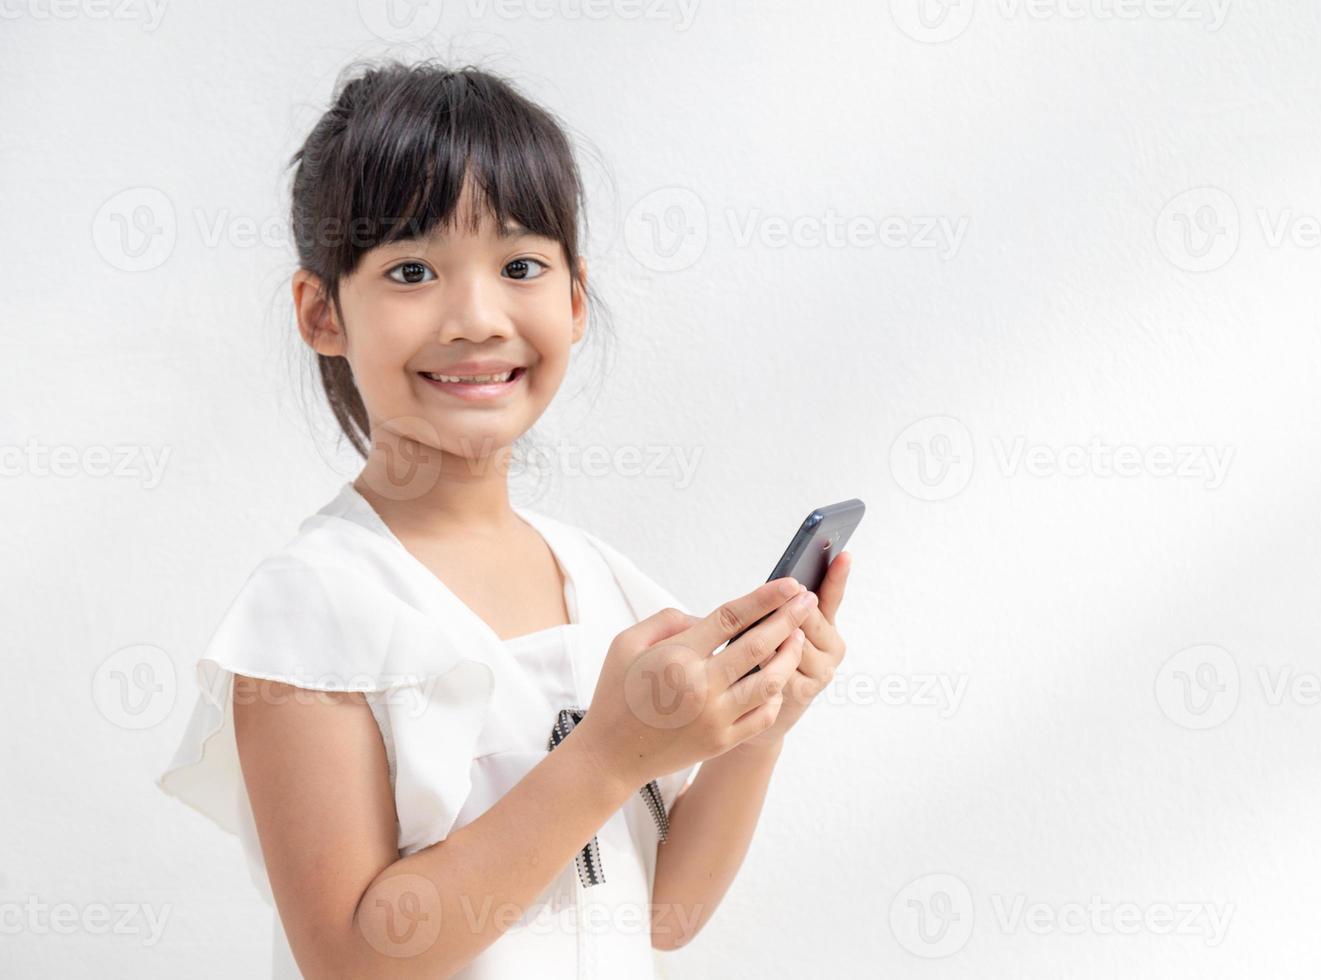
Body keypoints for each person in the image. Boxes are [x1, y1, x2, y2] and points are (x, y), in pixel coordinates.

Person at [156, 58, 854, 979]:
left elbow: (663, 914)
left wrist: (757, 729)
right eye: (412, 270)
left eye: (519, 265)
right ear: (322, 312)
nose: (478, 318)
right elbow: (350, 956)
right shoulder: (310, 604)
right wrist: (608, 753)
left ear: (572, 300)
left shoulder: (599, 579)